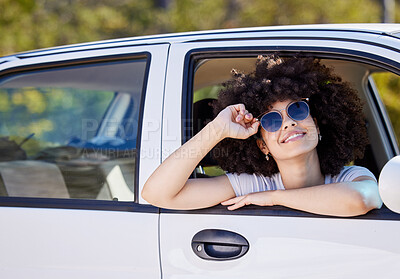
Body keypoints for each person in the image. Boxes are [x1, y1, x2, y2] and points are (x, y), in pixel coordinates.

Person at [142, 54, 382, 217]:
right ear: (263, 146)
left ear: (317, 126)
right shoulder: (253, 185)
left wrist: (275, 198)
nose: (288, 122)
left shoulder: (351, 176)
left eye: (297, 109)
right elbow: (158, 195)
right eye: (271, 120)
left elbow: (360, 199)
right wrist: (217, 130)